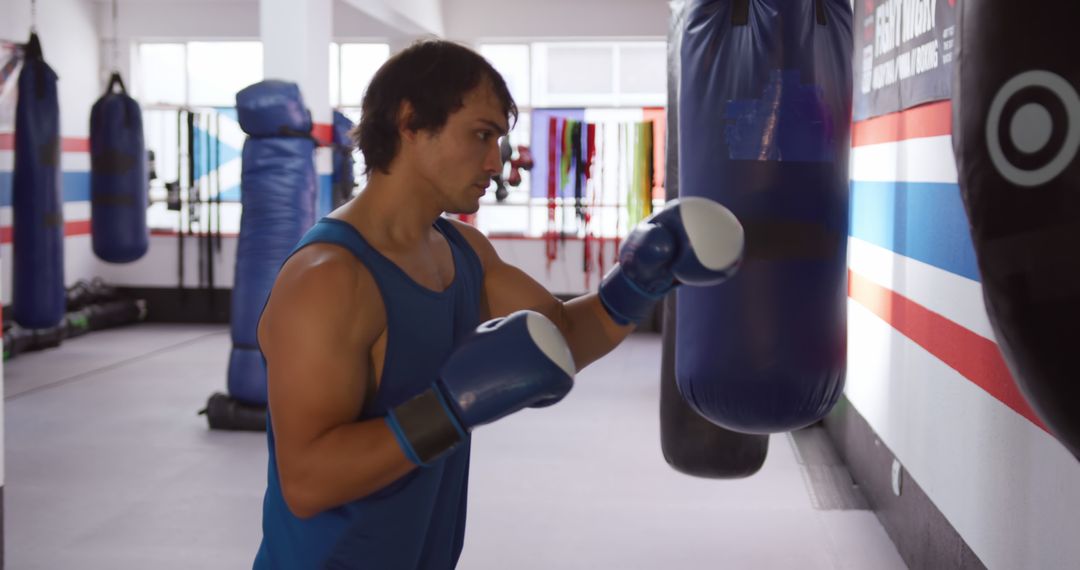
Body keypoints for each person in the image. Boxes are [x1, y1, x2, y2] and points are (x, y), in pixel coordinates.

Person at [252, 39, 744, 569]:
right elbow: (305, 481)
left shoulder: (463, 251)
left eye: (499, 140)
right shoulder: (329, 279)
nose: (496, 161)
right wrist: (447, 409)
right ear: (411, 122)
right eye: (482, 135)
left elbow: (560, 336)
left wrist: (636, 283)